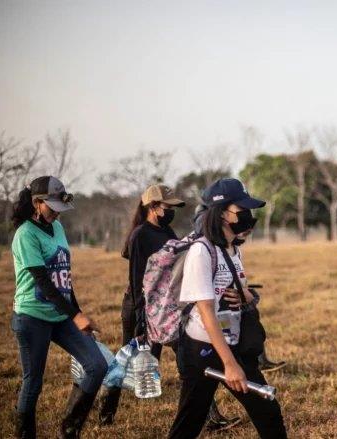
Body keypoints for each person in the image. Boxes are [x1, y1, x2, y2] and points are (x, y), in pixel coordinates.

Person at [99, 184, 240, 431]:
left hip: (166, 309)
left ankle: (211, 418)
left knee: (191, 361)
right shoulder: (140, 235)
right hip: (140, 309)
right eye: (168, 207)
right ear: (153, 207)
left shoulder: (167, 231)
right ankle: (106, 411)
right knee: (125, 361)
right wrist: (141, 318)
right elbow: (136, 280)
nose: (172, 211)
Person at [168, 178, 287, 439]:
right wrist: (230, 364)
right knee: (189, 422)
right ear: (222, 214)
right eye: (241, 210)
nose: (248, 216)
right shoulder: (202, 251)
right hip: (204, 349)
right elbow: (206, 312)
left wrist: (246, 295)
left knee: (268, 413)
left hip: (233, 341)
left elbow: (238, 290)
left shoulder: (233, 249)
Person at [10, 176, 108, 438]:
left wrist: (78, 311)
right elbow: (43, 282)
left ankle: (70, 428)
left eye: (58, 206)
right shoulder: (25, 235)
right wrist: (75, 315)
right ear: (36, 203)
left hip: (61, 315)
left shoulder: (59, 229)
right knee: (34, 382)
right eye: (51, 206)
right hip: (32, 317)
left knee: (97, 366)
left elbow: (64, 278)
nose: (56, 212)